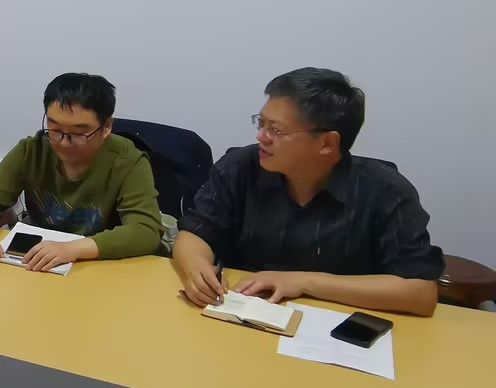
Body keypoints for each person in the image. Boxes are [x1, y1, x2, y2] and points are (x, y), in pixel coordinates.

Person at [173, 68, 441, 316]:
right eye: (261, 123)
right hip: (244, 314)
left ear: (327, 143)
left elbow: (420, 293)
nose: (261, 137)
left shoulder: (386, 192)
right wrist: (196, 267)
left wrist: (305, 282)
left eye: (275, 130)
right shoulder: (240, 167)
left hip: (334, 326)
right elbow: (196, 233)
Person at [0, 73, 163, 271]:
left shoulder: (128, 160)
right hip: (40, 263)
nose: (65, 143)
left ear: (106, 127)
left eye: (78, 133)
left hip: (100, 266)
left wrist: (71, 249)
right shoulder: (32, 151)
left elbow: (145, 230)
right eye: (55, 129)